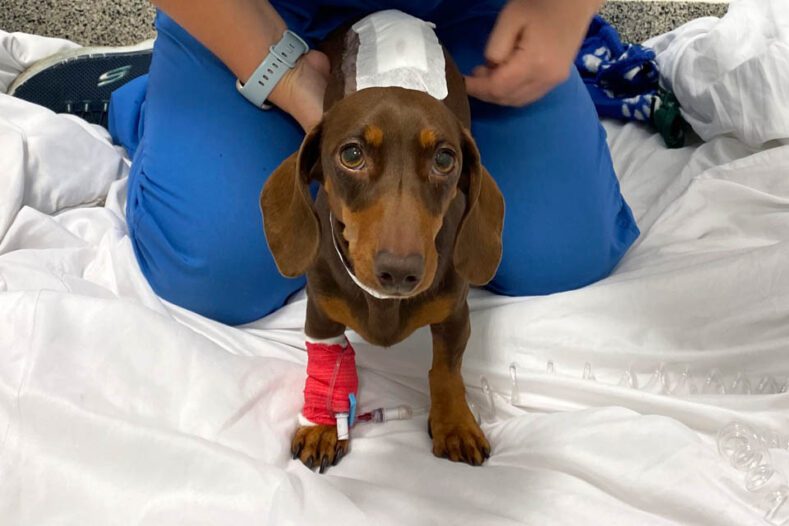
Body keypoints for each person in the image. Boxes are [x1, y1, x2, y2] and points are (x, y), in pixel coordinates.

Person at [17, 0, 640, 325]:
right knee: (217, 266)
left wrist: (562, 11)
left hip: (476, 12)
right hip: (268, 11)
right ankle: (141, 92)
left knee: (566, 253)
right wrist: (282, 77)